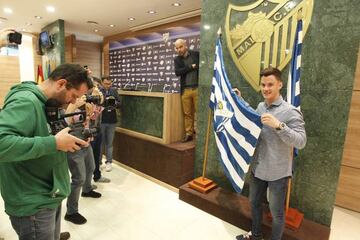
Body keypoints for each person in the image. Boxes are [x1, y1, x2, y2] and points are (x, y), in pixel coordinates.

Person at [0, 63, 90, 240]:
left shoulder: (49, 103)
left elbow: (47, 133)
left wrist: (72, 138)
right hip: (33, 203)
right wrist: (53, 143)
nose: (74, 102)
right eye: (74, 96)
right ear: (61, 83)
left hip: (49, 193)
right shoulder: (26, 101)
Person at [235, 67, 307, 240]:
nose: (266, 88)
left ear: (280, 85)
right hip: (258, 168)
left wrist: (279, 126)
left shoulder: (290, 111)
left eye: (270, 84)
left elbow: (301, 141)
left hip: (278, 173)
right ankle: (257, 235)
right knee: (254, 204)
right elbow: (253, 116)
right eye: (263, 85)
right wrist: (239, 100)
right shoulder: (261, 106)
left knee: (277, 214)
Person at [64, 82, 103, 225]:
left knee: (91, 168)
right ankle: (71, 212)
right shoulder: (68, 104)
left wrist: (95, 105)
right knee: (78, 178)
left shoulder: (87, 104)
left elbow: (91, 119)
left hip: (86, 143)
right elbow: (66, 121)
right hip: (74, 145)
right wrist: (76, 104)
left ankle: (87, 190)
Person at [174, 38, 200, 142]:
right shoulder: (177, 59)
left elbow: (200, 66)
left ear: (185, 45)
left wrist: (194, 67)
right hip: (185, 90)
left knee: (199, 112)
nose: (179, 50)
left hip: (197, 88)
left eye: (180, 47)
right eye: (176, 48)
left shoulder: (196, 54)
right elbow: (178, 72)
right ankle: (189, 134)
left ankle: (199, 134)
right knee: (187, 113)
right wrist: (191, 66)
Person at [99, 77, 121, 172]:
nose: (108, 85)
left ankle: (109, 162)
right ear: (102, 83)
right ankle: (98, 162)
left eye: (109, 83)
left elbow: (120, 103)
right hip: (101, 120)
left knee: (109, 143)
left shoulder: (114, 91)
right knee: (100, 143)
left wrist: (115, 103)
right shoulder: (98, 91)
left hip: (112, 120)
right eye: (106, 83)